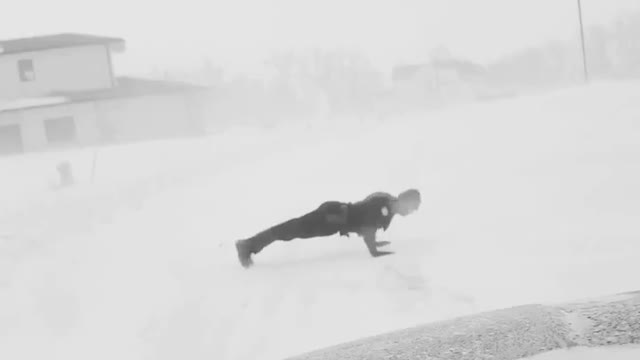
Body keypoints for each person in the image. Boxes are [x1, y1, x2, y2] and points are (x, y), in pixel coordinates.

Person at [234, 188, 421, 268]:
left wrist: (374, 243)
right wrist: (373, 249)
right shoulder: (385, 207)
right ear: (405, 201)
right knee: (290, 230)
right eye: (412, 207)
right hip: (331, 218)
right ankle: (247, 245)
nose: (411, 212)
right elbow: (367, 226)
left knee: (291, 230)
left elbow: (365, 218)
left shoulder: (387, 203)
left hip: (334, 215)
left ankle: (249, 245)